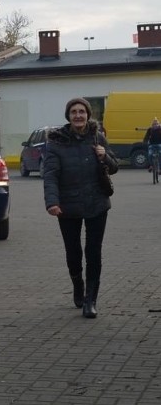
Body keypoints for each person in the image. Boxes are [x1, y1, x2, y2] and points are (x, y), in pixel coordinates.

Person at [43, 97, 118, 319]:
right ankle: (78, 283)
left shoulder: (97, 137)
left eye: (82, 112)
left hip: (97, 203)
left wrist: (105, 157)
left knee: (93, 252)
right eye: (74, 112)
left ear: (88, 115)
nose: (78, 115)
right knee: (73, 252)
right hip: (68, 206)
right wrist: (52, 202)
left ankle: (90, 299)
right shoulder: (56, 142)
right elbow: (50, 175)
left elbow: (114, 167)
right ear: (68, 116)